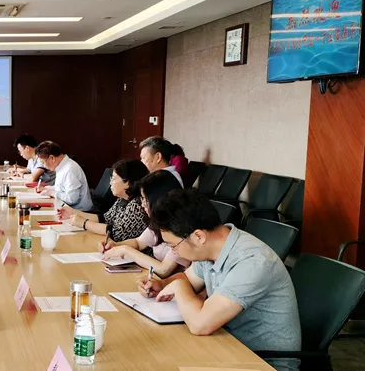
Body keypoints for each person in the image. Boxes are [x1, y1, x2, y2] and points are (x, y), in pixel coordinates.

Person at [140, 189, 300, 371]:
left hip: (264, 362)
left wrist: (176, 286)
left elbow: (200, 324)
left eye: (173, 245)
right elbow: (188, 279)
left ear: (198, 236)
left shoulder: (252, 261)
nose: (173, 252)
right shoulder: (211, 248)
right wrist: (162, 284)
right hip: (226, 346)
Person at [101, 170, 190, 277]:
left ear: (159, 200)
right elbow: (138, 243)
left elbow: (164, 270)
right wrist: (115, 246)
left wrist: (125, 250)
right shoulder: (159, 221)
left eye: (146, 200)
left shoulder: (182, 227)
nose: (142, 204)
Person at [59, 159, 149, 241]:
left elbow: (116, 233)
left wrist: (84, 223)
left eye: (113, 179)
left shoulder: (138, 205)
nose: (110, 182)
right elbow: (105, 219)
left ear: (128, 183)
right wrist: (73, 212)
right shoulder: (122, 199)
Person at [34, 141, 93, 211]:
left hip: (80, 212)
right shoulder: (62, 166)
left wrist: (51, 192)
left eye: (43, 162)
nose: (44, 166)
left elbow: (72, 199)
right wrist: (45, 189)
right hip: (67, 208)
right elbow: (61, 188)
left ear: (52, 158)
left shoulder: (70, 170)